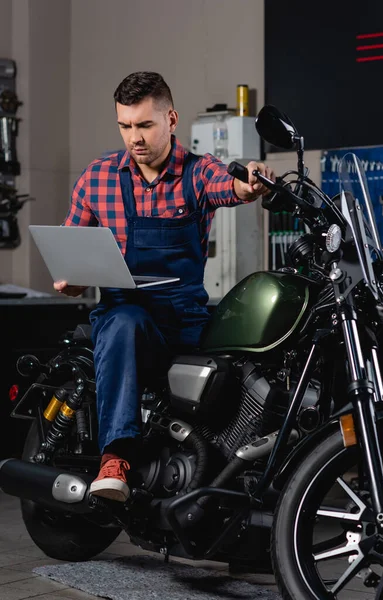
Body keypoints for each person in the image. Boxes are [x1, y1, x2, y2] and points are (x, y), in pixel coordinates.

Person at [55, 71, 274, 502]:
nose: (134, 137)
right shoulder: (97, 178)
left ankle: (235, 477)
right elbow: (70, 255)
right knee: (124, 319)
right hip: (124, 321)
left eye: (145, 125)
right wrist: (70, 281)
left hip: (186, 322)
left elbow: (227, 185)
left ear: (170, 119)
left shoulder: (196, 173)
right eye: (125, 125)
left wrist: (249, 182)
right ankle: (115, 457)